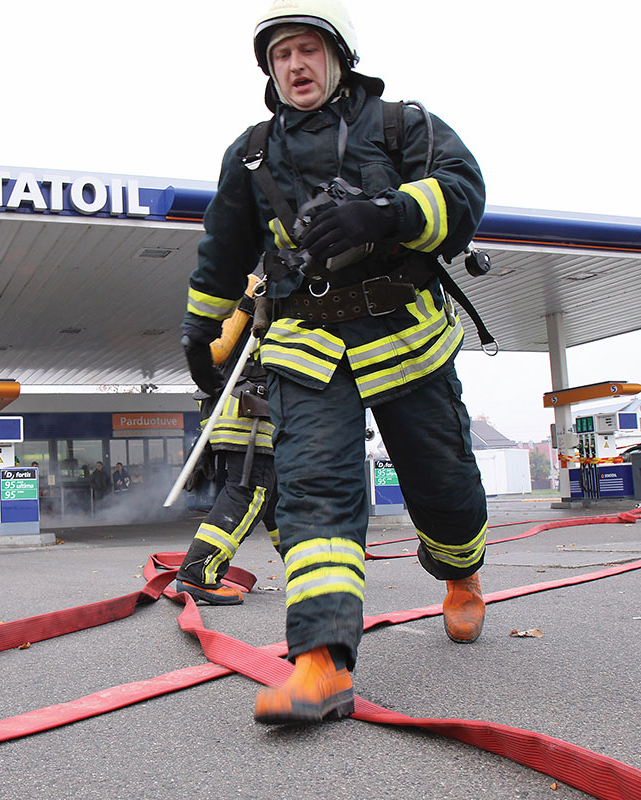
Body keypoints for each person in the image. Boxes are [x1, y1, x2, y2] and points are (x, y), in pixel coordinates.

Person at [181, 0, 488, 724]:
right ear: (269, 69)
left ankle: (460, 573)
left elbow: (464, 192)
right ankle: (319, 663)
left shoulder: (402, 125)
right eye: (281, 54)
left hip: (404, 333)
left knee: (442, 484)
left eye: (308, 49)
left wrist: (388, 214)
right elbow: (221, 253)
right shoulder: (251, 154)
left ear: (338, 56)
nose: (295, 65)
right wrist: (199, 331)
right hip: (306, 345)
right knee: (314, 492)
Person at [175, 281, 279, 606]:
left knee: (273, 497)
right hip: (252, 413)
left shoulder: (240, 296)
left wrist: (203, 444)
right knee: (250, 491)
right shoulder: (274, 291)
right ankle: (198, 573)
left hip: (227, 408)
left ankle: (311, 567)